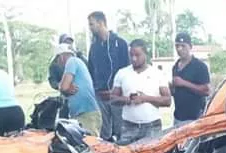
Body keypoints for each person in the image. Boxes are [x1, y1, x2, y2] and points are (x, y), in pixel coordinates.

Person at [112, 39, 171, 145]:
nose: (134, 59)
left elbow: (167, 101)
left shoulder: (157, 74)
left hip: (152, 127)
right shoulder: (122, 73)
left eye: (137, 55)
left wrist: (145, 98)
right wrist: (127, 99)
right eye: (131, 55)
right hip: (128, 126)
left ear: (145, 54)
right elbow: (113, 99)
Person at [87, 11, 130, 141]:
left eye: (91, 24)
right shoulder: (94, 47)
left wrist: (118, 92)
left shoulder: (120, 43)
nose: (90, 27)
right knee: (104, 134)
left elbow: (127, 69)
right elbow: (91, 69)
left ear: (101, 23)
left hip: (117, 95)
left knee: (121, 131)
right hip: (101, 95)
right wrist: (96, 88)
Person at [55, 44, 102, 136]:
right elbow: (65, 88)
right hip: (82, 113)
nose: (58, 63)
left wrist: (63, 88)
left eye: (57, 60)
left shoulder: (71, 61)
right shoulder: (77, 62)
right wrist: (66, 88)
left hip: (86, 113)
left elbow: (63, 87)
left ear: (61, 57)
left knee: (89, 145)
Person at [170, 32, 211, 126]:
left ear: (190, 46)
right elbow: (176, 91)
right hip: (178, 118)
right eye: (177, 46)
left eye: (183, 46)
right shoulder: (175, 67)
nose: (179, 49)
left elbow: (207, 91)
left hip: (195, 118)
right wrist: (172, 88)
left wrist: (184, 83)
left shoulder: (200, 66)